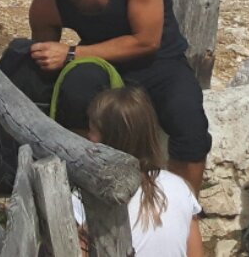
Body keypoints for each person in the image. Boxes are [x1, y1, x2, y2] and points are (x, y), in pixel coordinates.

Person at [27, 0, 212, 192]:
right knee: (75, 93)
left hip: (159, 61)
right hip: (102, 64)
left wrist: (71, 53)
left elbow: (147, 41)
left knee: (188, 120)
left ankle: (186, 207)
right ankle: (83, 196)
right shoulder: (47, 3)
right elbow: (45, 62)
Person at [74, 87, 205, 257]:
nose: (88, 137)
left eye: (92, 130)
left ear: (109, 139)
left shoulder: (86, 198)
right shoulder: (180, 187)